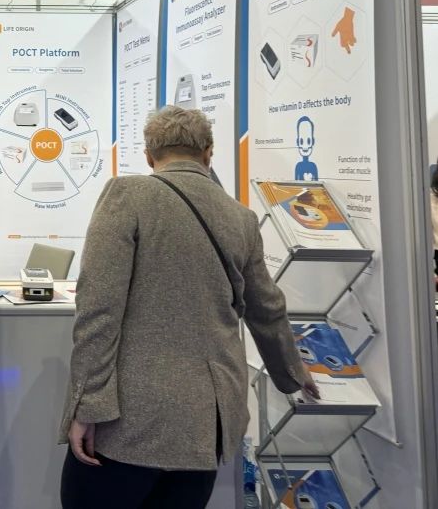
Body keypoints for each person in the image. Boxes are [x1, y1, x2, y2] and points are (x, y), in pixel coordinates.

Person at [60, 106, 319, 509]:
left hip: (132, 418)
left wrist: (87, 405)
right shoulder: (241, 217)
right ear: (208, 152)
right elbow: (266, 308)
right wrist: (293, 372)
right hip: (209, 420)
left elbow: (98, 310)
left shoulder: (126, 195)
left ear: (149, 155)